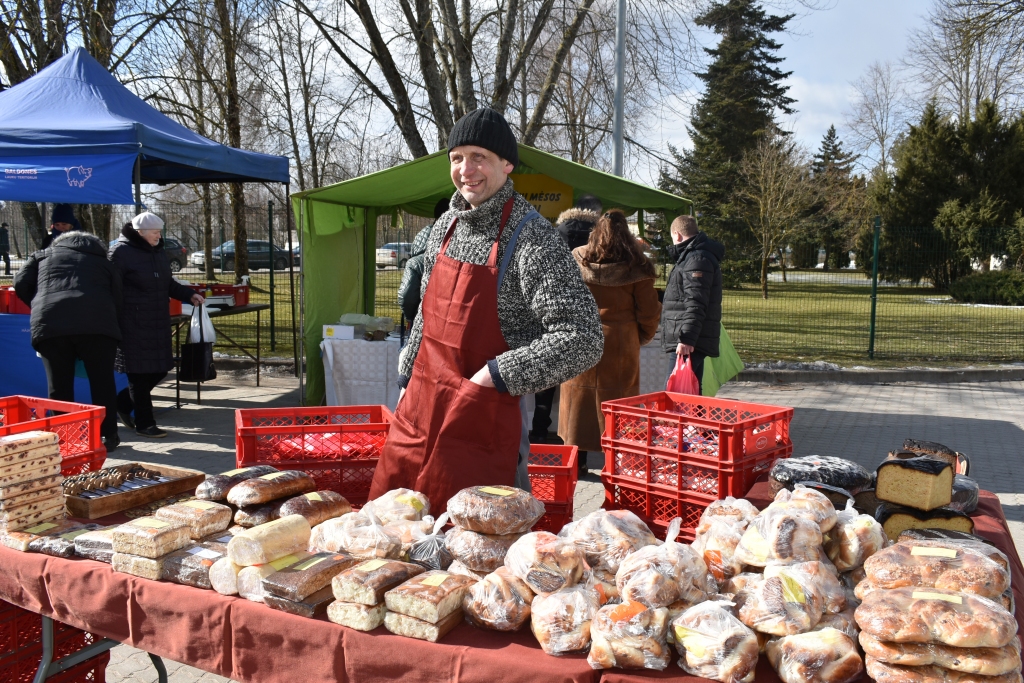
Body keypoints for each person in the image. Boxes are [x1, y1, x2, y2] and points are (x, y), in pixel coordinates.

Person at [369, 107, 604, 512]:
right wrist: (407, 374)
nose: (466, 170)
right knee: (399, 525)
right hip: (420, 406)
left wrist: (495, 375)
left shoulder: (533, 238)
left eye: (479, 157)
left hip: (483, 416)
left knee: (476, 533)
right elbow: (425, 310)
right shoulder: (445, 226)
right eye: (457, 158)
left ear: (507, 164)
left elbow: (582, 338)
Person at [558, 210, 661, 475]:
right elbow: (649, 312)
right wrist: (640, 337)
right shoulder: (637, 266)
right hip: (620, 343)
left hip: (581, 338)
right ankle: (614, 466)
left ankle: (576, 464)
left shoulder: (577, 258)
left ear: (595, 231)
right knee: (617, 404)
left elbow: (561, 301)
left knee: (577, 402)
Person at [13, 226, 123, 450]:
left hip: (51, 323)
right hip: (97, 325)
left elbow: (20, 283)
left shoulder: (42, 256)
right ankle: (108, 435)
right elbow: (119, 296)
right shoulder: (104, 262)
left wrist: (40, 303)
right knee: (102, 382)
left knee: (59, 385)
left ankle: (64, 437)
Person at [109, 213, 204, 438]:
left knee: (160, 368)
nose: (159, 236)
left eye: (160, 232)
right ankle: (145, 424)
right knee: (138, 374)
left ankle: (122, 403)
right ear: (140, 232)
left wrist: (189, 294)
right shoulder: (120, 252)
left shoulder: (158, 252)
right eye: (155, 232)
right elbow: (110, 287)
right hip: (131, 322)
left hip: (157, 320)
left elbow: (167, 283)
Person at [530, 194, 605, 443]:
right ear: (596, 212)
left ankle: (539, 432)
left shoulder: (555, 232)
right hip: (588, 312)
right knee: (581, 382)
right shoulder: (600, 237)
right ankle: (576, 439)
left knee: (548, 374)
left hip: (551, 310)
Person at [660, 215, 724, 394]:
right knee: (691, 392)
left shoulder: (696, 258)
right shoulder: (693, 256)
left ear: (677, 234)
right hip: (691, 336)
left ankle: (690, 416)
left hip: (688, 338)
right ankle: (695, 415)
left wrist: (687, 338)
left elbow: (696, 302)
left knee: (675, 393)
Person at [397, 198, 450, 324]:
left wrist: (411, 318)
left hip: (423, 323)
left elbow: (406, 296)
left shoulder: (415, 263)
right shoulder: (463, 255)